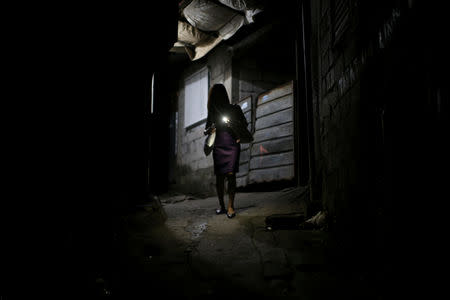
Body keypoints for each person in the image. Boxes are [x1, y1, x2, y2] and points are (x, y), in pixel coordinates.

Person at [204, 83, 249, 218]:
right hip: (218, 144)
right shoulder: (212, 112)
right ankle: (223, 206)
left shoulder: (235, 109)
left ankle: (230, 206)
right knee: (220, 177)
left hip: (232, 144)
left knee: (230, 174)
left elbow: (244, 124)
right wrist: (210, 129)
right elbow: (206, 130)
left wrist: (233, 125)